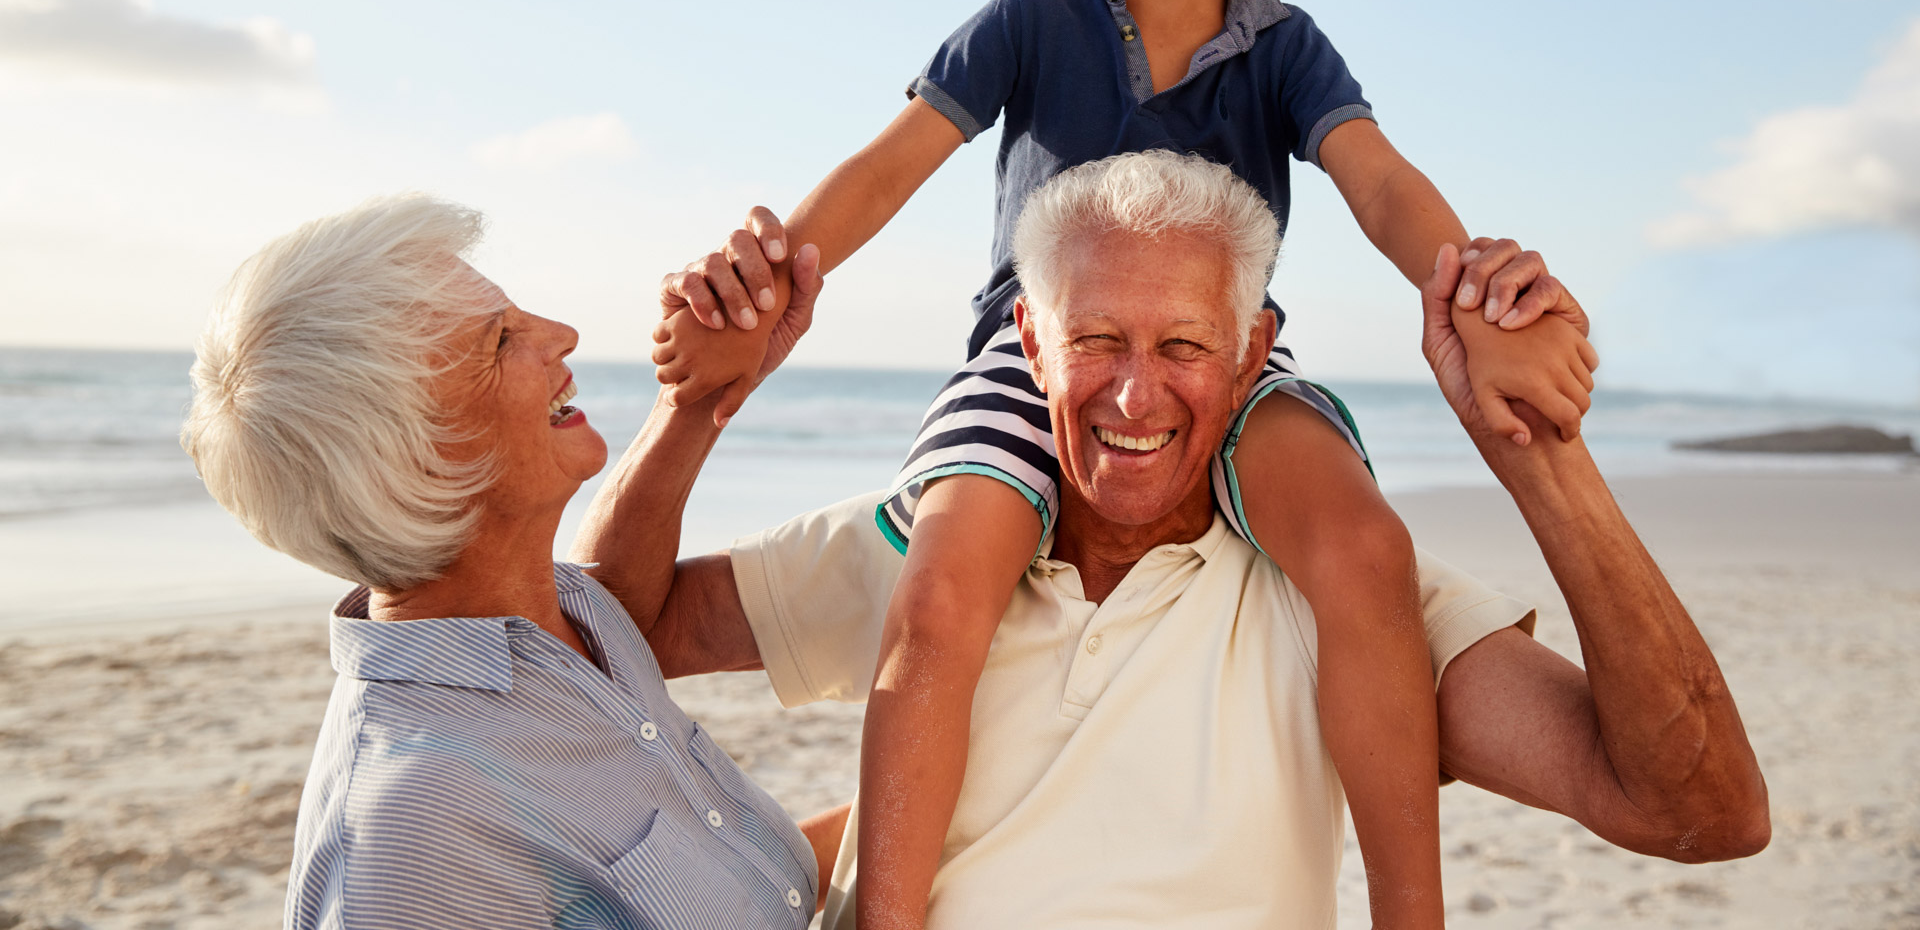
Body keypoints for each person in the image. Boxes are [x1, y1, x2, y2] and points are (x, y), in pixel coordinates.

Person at [648, 0, 1598, 929]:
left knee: (1367, 548)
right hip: (1033, 355)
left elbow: (1378, 184)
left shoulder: (1287, 47)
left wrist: (1473, 278)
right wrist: (769, 278)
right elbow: (888, 167)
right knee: (940, 593)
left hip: (1224, 359)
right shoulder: (1035, 18)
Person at [595, 154, 1768, 928]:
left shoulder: (1344, 595)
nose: (1135, 394)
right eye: (1096, 338)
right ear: (1030, 344)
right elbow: (606, 632)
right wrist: (691, 411)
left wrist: (1540, 453)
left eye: (1186, 347)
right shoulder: (929, 544)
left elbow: (1701, 809)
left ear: (1256, 353)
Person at [179, 194, 842, 930]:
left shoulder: (579, 617)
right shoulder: (413, 833)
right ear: (420, 461)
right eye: (500, 342)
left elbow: (750, 893)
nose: (563, 335)